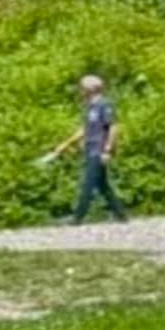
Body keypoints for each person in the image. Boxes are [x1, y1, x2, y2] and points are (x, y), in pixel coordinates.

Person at [47, 75, 127, 224]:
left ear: (90, 89)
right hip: (90, 147)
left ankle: (77, 218)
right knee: (103, 185)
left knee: (88, 183)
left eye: (82, 88)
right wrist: (66, 144)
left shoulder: (105, 105)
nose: (80, 90)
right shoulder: (90, 106)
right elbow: (85, 129)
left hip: (99, 149)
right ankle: (120, 215)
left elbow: (113, 128)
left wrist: (108, 150)